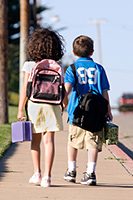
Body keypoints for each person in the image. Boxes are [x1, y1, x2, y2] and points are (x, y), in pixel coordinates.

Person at [17, 27, 65, 187]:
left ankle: (37, 173)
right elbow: (62, 89)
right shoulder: (56, 66)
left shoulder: (29, 65)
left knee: (35, 141)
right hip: (52, 105)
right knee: (49, 141)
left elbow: (25, 89)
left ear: (34, 46)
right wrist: (63, 104)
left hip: (34, 105)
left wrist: (20, 109)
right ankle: (47, 177)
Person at [63, 35, 113, 185]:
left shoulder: (72, 69)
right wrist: (108, 110)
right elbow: (105, 91)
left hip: (77, 112)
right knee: (93, 142)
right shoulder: (99, 68)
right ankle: (90, 173)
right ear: (92, 52)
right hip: (97, 112)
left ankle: (71, 170)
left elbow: (67, 90)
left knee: (73, 141)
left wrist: (62, 104)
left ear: (73, 51)